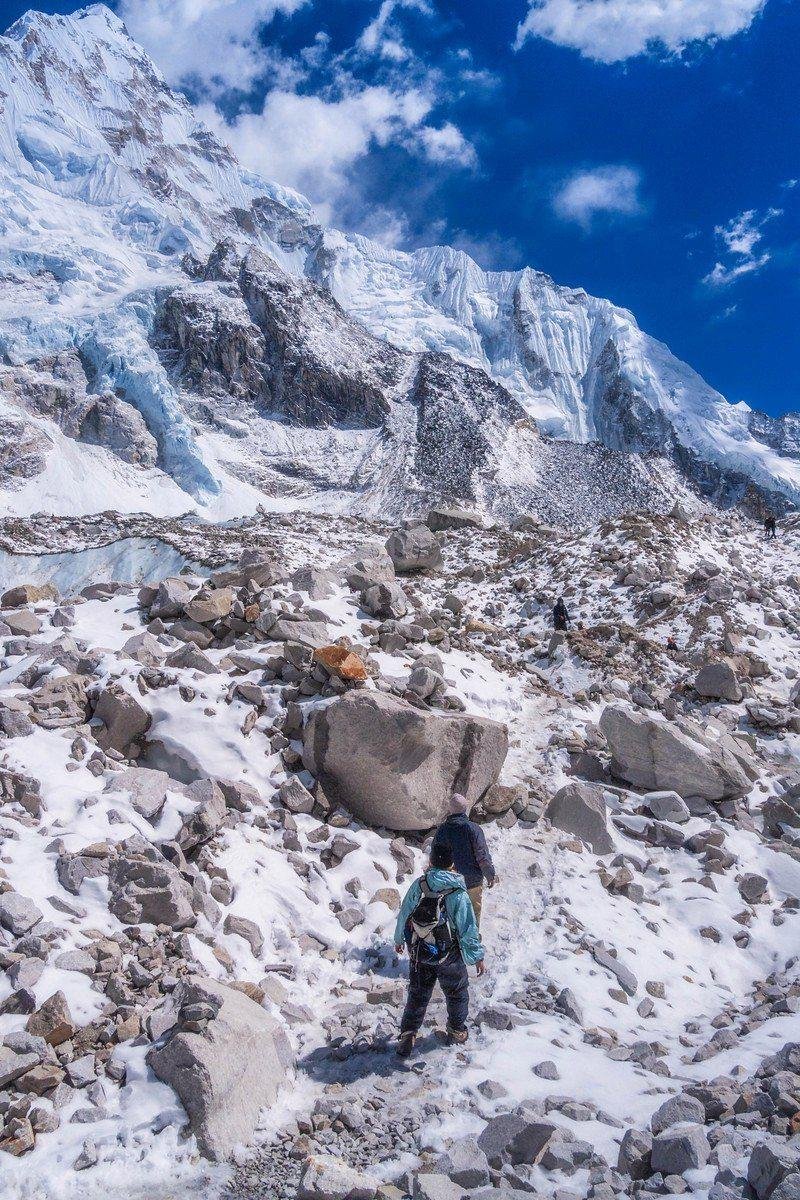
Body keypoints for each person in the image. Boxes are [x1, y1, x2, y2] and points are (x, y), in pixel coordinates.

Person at [394, 841, 485, 1059]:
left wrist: (398, 939)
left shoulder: (420, 885)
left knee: (417, 994)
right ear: (452, 864)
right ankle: (456, 1030)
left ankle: (408, 1034)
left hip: (420, 950)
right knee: (456, 992)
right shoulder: (458, 892)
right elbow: (467, 929)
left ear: (432, 861)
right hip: (449, 954)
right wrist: (476, 956)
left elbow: (405, 912)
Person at [431, 793, 497, 926]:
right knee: (472, 913)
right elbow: (482, 856)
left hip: (449, 880)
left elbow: (434, 856)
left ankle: (454, 942)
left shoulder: (442, 830)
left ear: (450, 809)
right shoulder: (474, 829)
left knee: (452, 913)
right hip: (472, 880)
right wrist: (490, 875)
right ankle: (472, 940)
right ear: (465, 808)